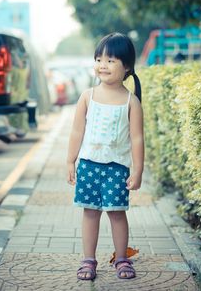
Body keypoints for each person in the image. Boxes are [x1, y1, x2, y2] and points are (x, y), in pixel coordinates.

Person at [67, 32, 144, 281]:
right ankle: (88, 260)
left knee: (117, 213)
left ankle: (122, 258)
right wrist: (70, 160)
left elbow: (137, 139)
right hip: (89, 165)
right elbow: (77, 130)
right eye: (99, 59)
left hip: (117, 168)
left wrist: (138, 169)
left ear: (127, 66)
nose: (103, 65)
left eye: (111, 60)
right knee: (90, 212)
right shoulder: (87, 96)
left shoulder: (131, 102)